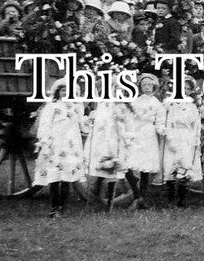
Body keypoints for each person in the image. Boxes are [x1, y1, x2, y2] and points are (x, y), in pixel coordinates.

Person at [35, 80, 86, 218]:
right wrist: (44, 140)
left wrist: (89, 123)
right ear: (58, 92)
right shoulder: (52, 106)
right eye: (63, 90)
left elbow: (82, 123)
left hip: (71, 144)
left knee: (67, 177)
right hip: (56, 143)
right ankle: (54, 207)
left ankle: (62, 207)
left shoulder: (77, 106)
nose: (66, 94)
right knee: (54, 177)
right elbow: (45, 123)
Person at [161, 78, 203, 208]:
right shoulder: (169, 105)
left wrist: (196, 139)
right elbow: (165, 122)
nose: (184, 90)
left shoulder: (192, 107)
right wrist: (169, 136)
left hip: (187, 138)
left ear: (191, 92)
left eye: (187, 88)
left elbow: (196, 125)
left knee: (184, 165)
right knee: (171, 164)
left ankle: (182, 200)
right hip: (172, 135)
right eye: (182, 88)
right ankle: (171, 201)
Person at [125, 72, 164, 209]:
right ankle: (136, 193)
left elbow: (159, 121)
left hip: (149, 134)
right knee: (127, 164)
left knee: (145, 169)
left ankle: (142, 199)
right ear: (140, 86)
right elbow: (129, 118)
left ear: (154, 86)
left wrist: (163, 130)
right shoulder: (135, 101)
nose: (147, 87)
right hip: (136, 133)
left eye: (149, 84)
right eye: (144, 85)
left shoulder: (157, 104)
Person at [85, 96, 132, 209]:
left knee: (114, 171)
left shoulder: (121, 106)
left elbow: (126, 123)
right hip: (103, 142)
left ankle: (109, 204)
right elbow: (98, 124)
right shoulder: (102, 105)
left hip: (116, 141)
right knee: (103, 168)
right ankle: (97, 194)